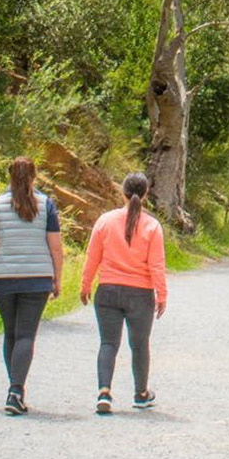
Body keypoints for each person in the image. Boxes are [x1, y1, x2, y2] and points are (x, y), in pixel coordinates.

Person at [0, 155, 64, 414]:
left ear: (9, 176)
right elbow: (56, 247)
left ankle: (15, 388)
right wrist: (57, 278)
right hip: (37, 279)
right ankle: (15, 390)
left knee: (11, 333)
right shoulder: (46, 205)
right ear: (34, 177)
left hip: (3, 279)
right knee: (26, 335)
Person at [80, 171, 168, 414]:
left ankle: (104, 392)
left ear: (123, 192)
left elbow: (92, 257)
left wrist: (86, 284)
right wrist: (161, 294)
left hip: (107, 290)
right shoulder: (152, 226)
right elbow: (156, 264)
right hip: (140, 293)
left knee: (108, 343)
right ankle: (141, 393)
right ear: (146, 194)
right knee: (139, 344)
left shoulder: (105, 221)